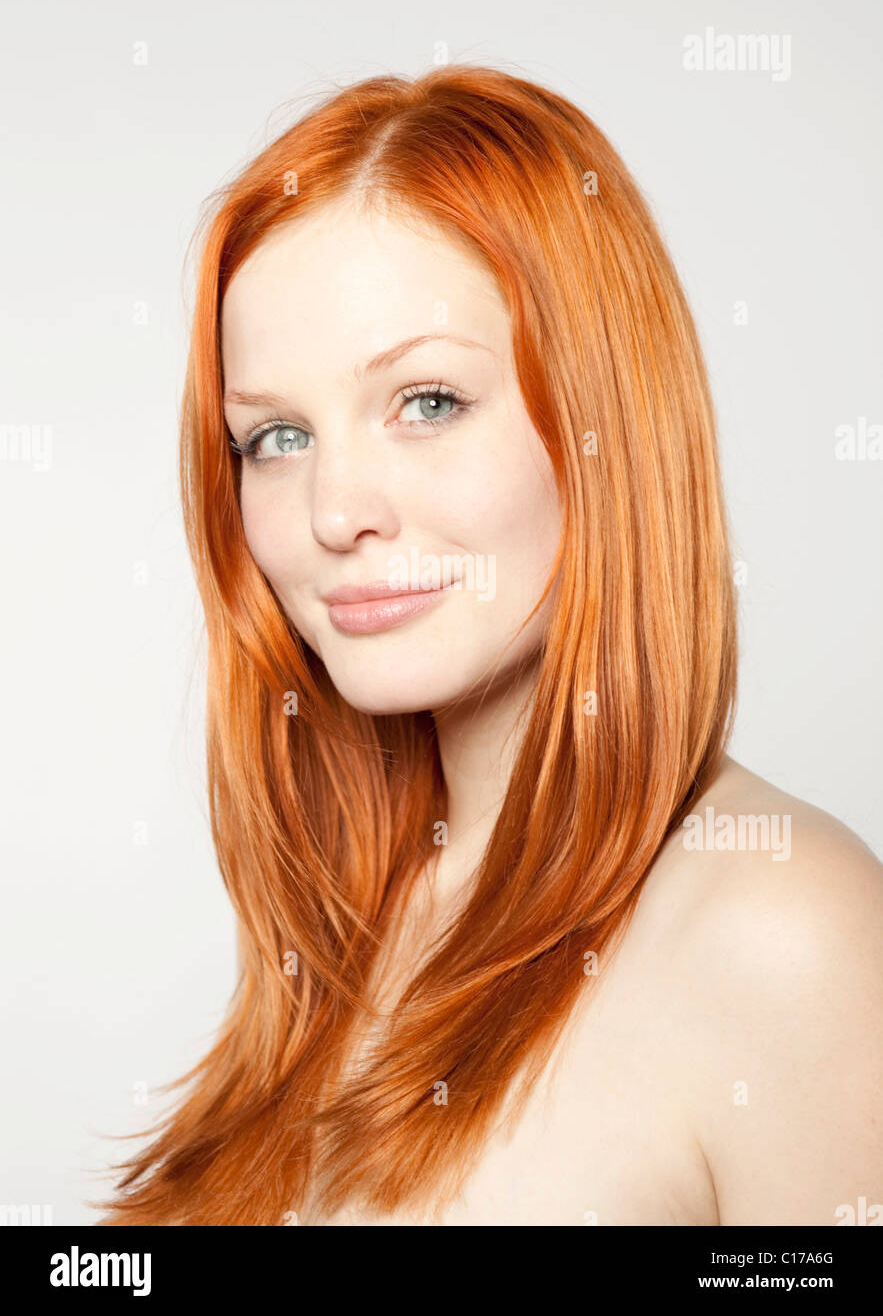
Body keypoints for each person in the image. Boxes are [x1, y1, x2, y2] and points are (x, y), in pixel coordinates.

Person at [95, 64, 883, 1227]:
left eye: (426, 403)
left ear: (604, 422)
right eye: (275, 434)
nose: (332, 510)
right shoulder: (354, 910)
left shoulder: (786, 933)